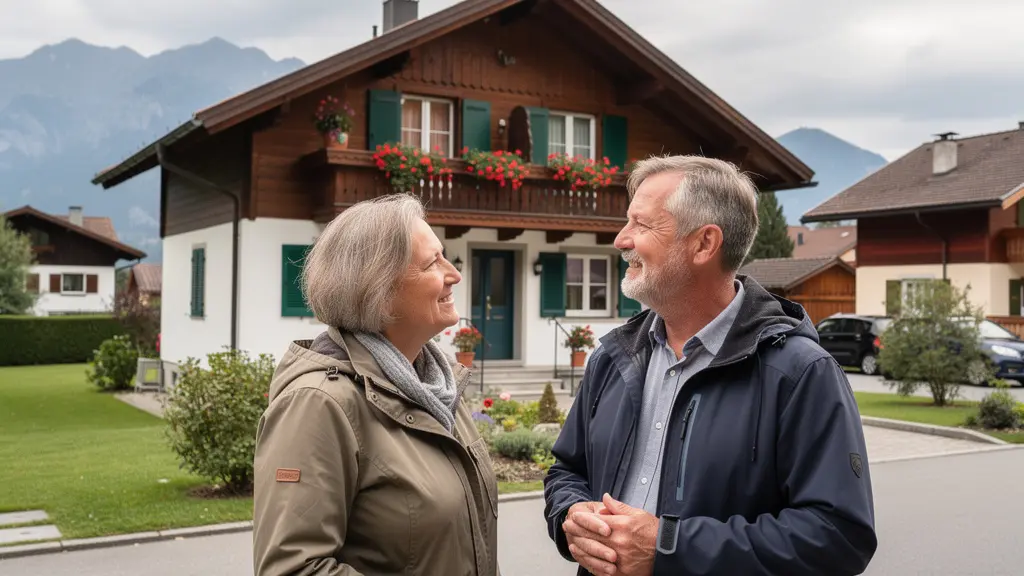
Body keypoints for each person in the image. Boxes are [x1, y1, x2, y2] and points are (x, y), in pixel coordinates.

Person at [543, 155, 877, 575]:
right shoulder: (614, 357)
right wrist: (572, 515)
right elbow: (567, 469)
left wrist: (668, 548)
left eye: (641, 225)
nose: (621, 239)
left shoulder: (800, 373)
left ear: (704, 244)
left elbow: (838, 536)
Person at [252, 194, 500, 575]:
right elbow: (293, 569)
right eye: (432, 263)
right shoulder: (319, 404)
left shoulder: (439, 389)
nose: (454, 274)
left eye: (445, 256)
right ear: (379, 291)